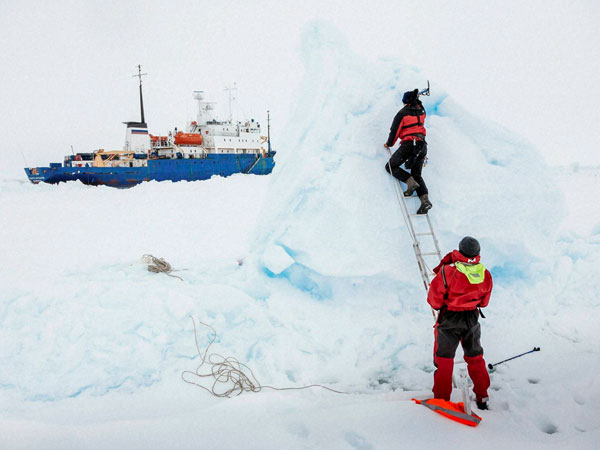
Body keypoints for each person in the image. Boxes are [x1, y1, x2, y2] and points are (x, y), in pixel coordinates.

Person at [427, 236, 493, 410]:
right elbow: (484, 302)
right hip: (471, 317)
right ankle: (482, 396)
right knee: (475, 357)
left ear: (460, 251)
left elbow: (434, 300)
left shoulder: (448, 272)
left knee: (444, 359)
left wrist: (444, 307)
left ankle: (442, 399)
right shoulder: (485, 273)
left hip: (450, 318)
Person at [384, 89, 432, 214]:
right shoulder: (422, 111)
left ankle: (410, 183)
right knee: (417, 174)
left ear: (406, 102)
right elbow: (418, 107)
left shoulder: (402, 114)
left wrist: (389, 144)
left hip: (409, 145)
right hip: (422, 146)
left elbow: (394, 131)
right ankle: (425, 201)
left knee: (390, 166)